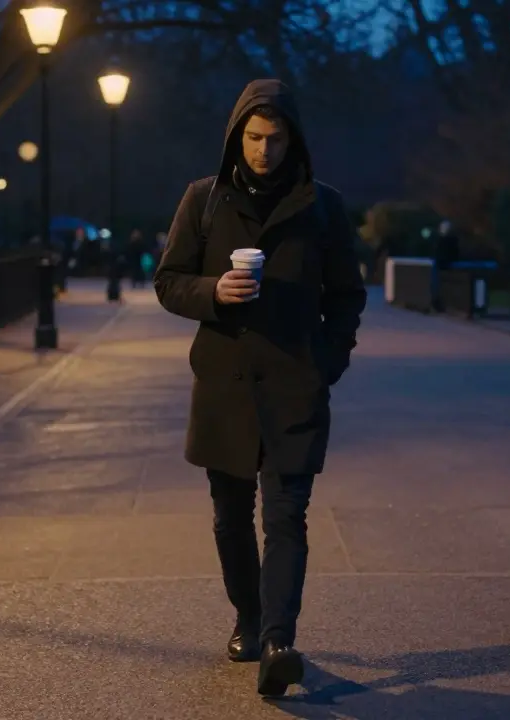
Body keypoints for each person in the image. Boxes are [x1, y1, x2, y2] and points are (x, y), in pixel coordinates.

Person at [153, 79, 367, 696]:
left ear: (292, 140)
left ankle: (279, 639)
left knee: (287, 516)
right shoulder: (204, 200)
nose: (264, 150)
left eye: (275, 139)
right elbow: (169, 282)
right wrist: (213, 292)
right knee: (229, 517)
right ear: (236, 136)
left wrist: (328, 359)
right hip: (224, 384)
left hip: (295, 385)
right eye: (253, 137)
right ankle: (248, 617)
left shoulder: (322, 206)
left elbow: (348, 294)